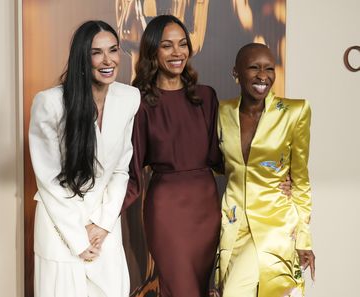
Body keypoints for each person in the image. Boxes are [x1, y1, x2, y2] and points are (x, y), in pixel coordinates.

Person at [29, 20, 140, 297]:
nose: (108, 60)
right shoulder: (50, 103)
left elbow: (121, 170)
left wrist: (102, 224)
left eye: (113, 50)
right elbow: (49, 180)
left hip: (104, 229)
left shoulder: (129, 98)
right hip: (60, 229)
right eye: (96, 52)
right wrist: (79, 236)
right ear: (82, 57)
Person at [122, 15, 222, 297]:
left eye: (182, 44)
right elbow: (132, 169)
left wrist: (273, 177)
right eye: (167, 46)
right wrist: (100, 217)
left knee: (202, 289)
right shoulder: (138, 101)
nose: (177, 52)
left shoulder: (205, 97)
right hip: (167, 211)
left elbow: (221, 158)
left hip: (206, 207)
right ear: (153, 51)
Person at [216, 43, 315, 297]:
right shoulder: (222, 111)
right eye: (254, 68)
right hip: (233, 221)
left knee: (233, 293)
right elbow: (218, 163)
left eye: (269, 68)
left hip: (276, 223)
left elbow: (301, 181)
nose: (263, 76)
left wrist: (304, 239)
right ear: (236, 72)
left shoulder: (294, 112)